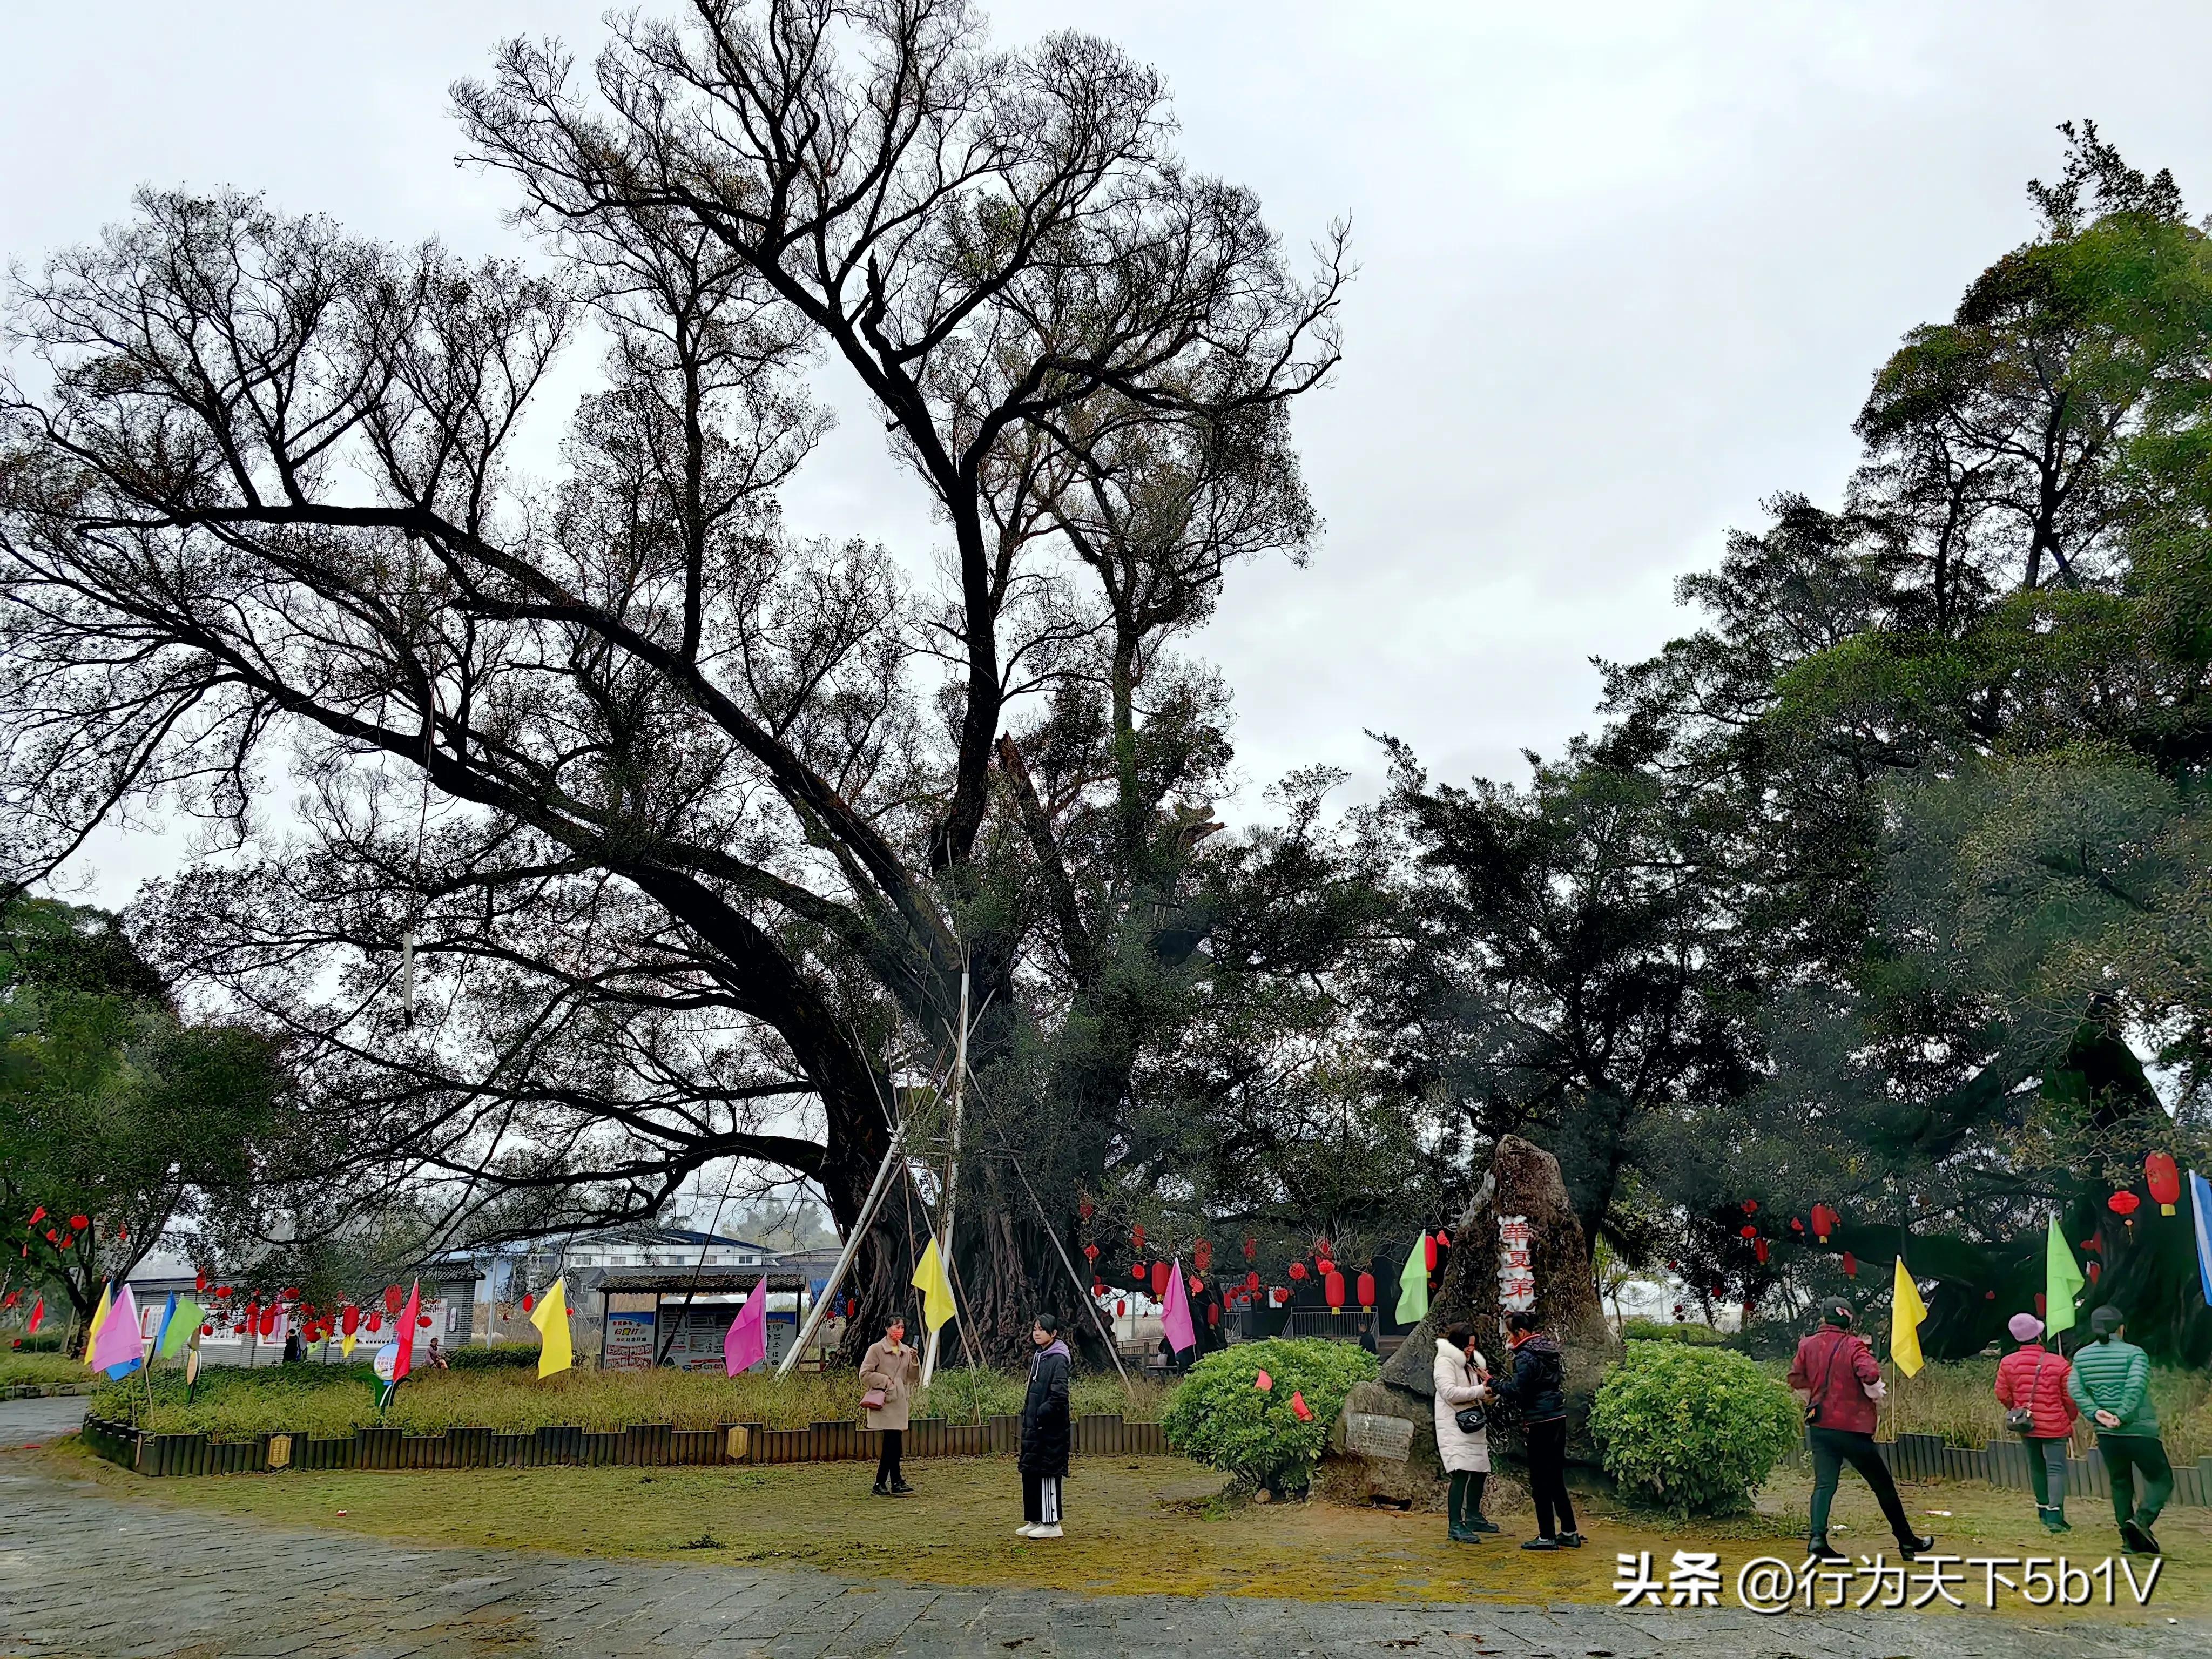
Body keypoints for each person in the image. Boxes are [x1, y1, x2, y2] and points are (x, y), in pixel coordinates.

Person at [1788, 1298, 1934, 1563]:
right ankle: (1906, 1540)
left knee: (1824, 1484)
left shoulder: (1807, 1345)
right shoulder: (1854, 1345)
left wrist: (1815, 1398)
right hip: (1853, 1428)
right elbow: (1869, 1374)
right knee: (1882, 1485)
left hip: (1821, 1426)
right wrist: (1875, 1391)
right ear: (1849, 1319)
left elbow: (1796, 1378)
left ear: (1824, 1318)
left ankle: (1817, 1540)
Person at [2068, 1305, 2171, 1555]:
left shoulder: (2082, 1357)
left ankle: (2128, 1541)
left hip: (2108, 1435)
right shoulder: (2135, 1354)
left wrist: (2096, 1413)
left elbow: (2075, 1390)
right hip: (2139, 1430)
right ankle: (2142, 1520)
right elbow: (2135, 1387)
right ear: (2121, 1328)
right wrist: (2122, 1415)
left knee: (2121, 1483)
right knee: (2161, 1479)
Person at [1493, 1310, 1582, 1550]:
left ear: (1520, 1332)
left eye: (1509, 1334)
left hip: (1540, 1421)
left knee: (1540, 1480)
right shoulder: (1549, 1350)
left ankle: (1546, 1536)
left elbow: (1517, 1390)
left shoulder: (1525, 1355)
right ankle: (1569, 1532)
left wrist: (1492, 1383)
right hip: (1557, 1416)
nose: (1508, 1339)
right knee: (1555, 1477)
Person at [1993, 1312, 2077, 1534]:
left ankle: (2042, 1509)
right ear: (2039, 1336)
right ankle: (2055, 1516)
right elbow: (2070, 1396)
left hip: (2026, 1424)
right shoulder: (2058, 1363)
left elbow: (2002, 1393)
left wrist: (2018, 1409)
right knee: (2056, 1469)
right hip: (2055, 1424)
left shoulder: (2007, 1362)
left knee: (2037, 1467)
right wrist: (2070, 1416)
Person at [1432, 1323, 1497, 1542]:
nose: (1471, 1349)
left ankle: (1474, 1516)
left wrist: (1489, 1389)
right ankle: (1455, 1524)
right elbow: (1449, 1392)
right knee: (1460, 1472)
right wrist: (1480, 1390)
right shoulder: (1444, 1362)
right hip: (1453, 1425)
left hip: (1473, 1424)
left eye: (1473, 1345)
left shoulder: (1471, 1365)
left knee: (1479, 1470)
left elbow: (1478, 1394)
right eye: (1468, 1345)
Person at [1017, 1312, 1072, 1539]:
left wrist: (1041, 1414)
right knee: (1030, 1470)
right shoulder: (1039, 1356)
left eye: (1041, 1330)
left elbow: (1060, 1396)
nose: (1036, 1333)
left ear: (1054, 1333)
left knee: (1048, 1472)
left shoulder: (1058, 1359)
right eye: (1035, 1329)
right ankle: (1035, 1518)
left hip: (1050, 1428)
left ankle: (1052, 1523)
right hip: (1033, 1428)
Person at [859, 1314, 920, 1496]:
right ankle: (882, 1482)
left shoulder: (906, 1351)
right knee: (891, 1442)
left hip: (900, 1401)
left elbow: (912, 1377)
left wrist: (915, 1361)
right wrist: (886, 1382)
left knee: (894, 1442)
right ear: (887, 1329)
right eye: (895, 1327)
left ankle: (895, 1481)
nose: (899, 1331)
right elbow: (865, 1374)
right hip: (885, 1401)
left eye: (901, 1327)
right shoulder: (876, 1349)